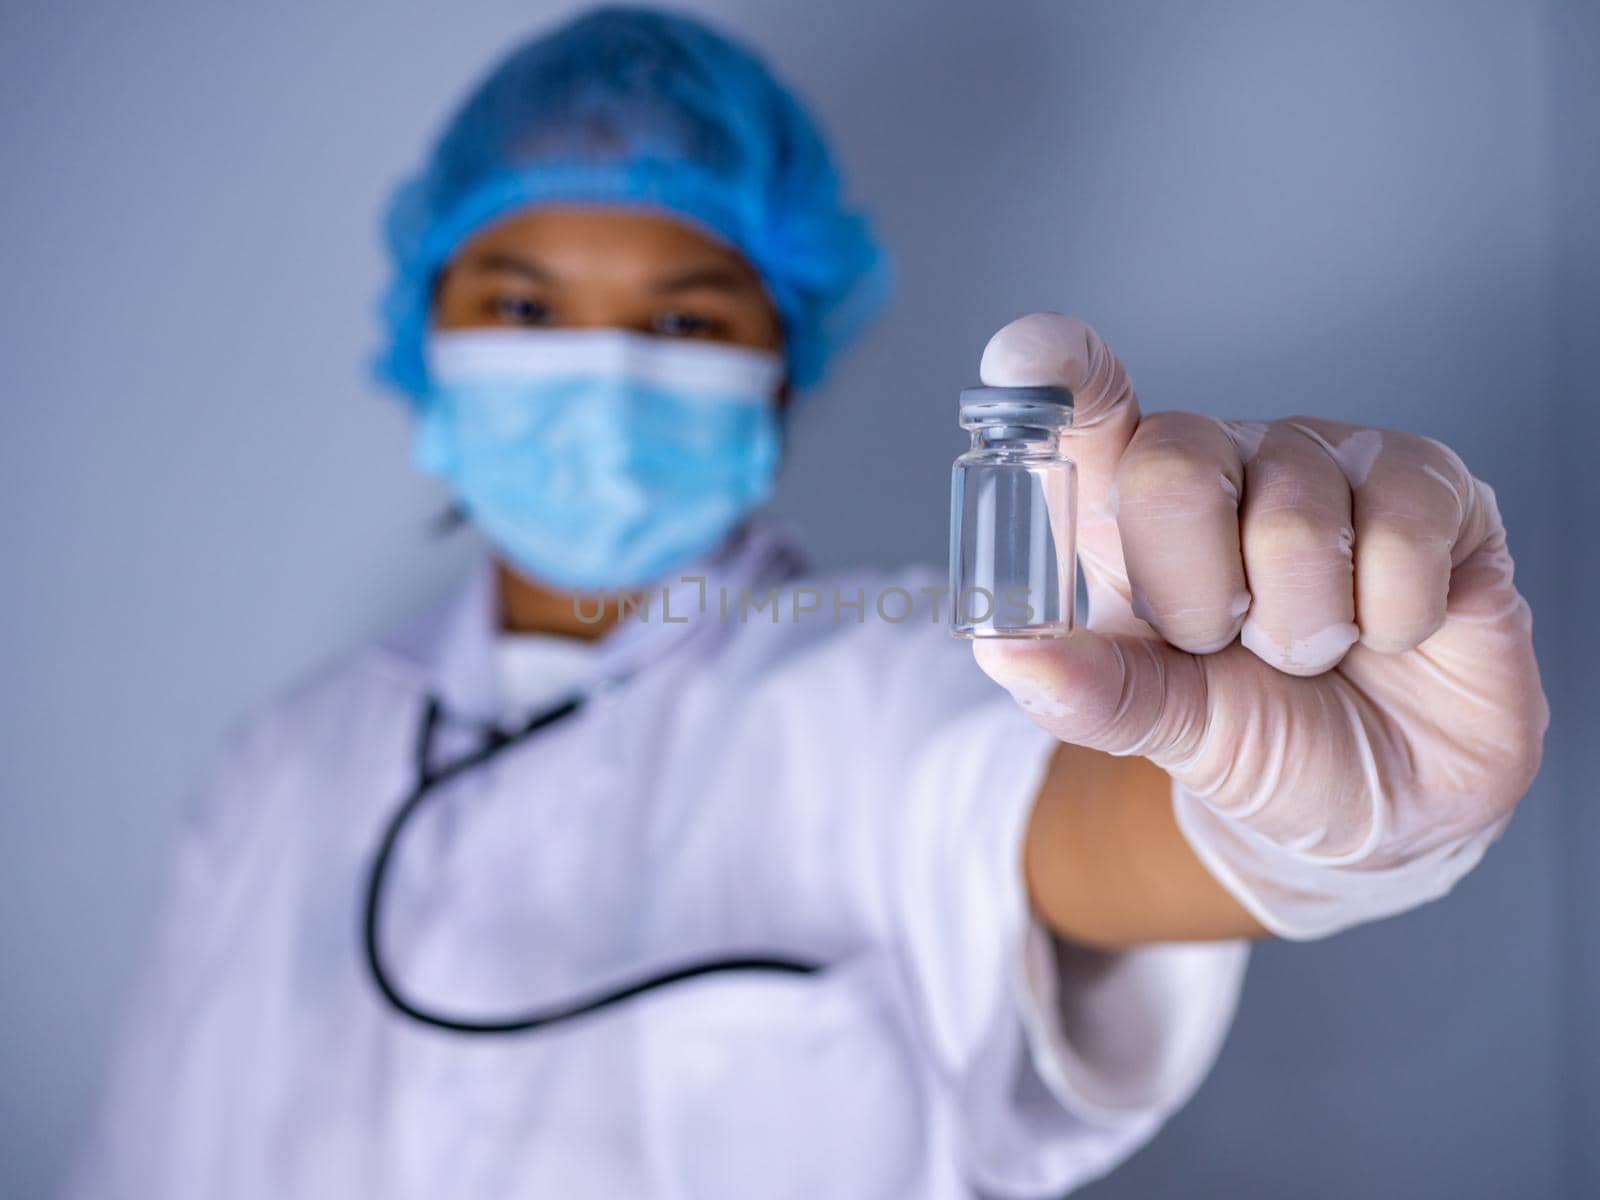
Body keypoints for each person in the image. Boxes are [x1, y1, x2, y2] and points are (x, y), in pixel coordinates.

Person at [66, 7, 1547, 1199]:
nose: (606, 371)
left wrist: (1324, 818)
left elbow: (1101, 825)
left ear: (782, 359)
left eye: (684, 318)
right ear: (425, 337)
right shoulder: (282, 772)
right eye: (521, 307)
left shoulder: (903, 682)